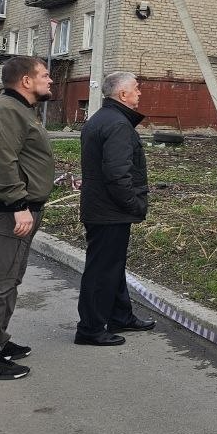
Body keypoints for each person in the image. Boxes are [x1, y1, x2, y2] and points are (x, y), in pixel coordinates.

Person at [0, 55, 55, 380]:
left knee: (10, 280)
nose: (50, 80)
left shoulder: (20, 110)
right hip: (9, 212)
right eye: (44, 75)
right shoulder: (3, 110)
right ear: (26, 81)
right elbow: (3, 162)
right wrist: (18, 205)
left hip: (21, 210)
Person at [75, 71, 155, 346]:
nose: (139, 92)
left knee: (112, 266)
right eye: (136, 88)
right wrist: (134, 204)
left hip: (102, 208)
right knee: (102, 271)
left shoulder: (102, 118)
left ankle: (120, 316)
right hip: (109, 211)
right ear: (122, 94)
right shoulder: (118, 124)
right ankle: (90, 329)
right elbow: (117, 174)